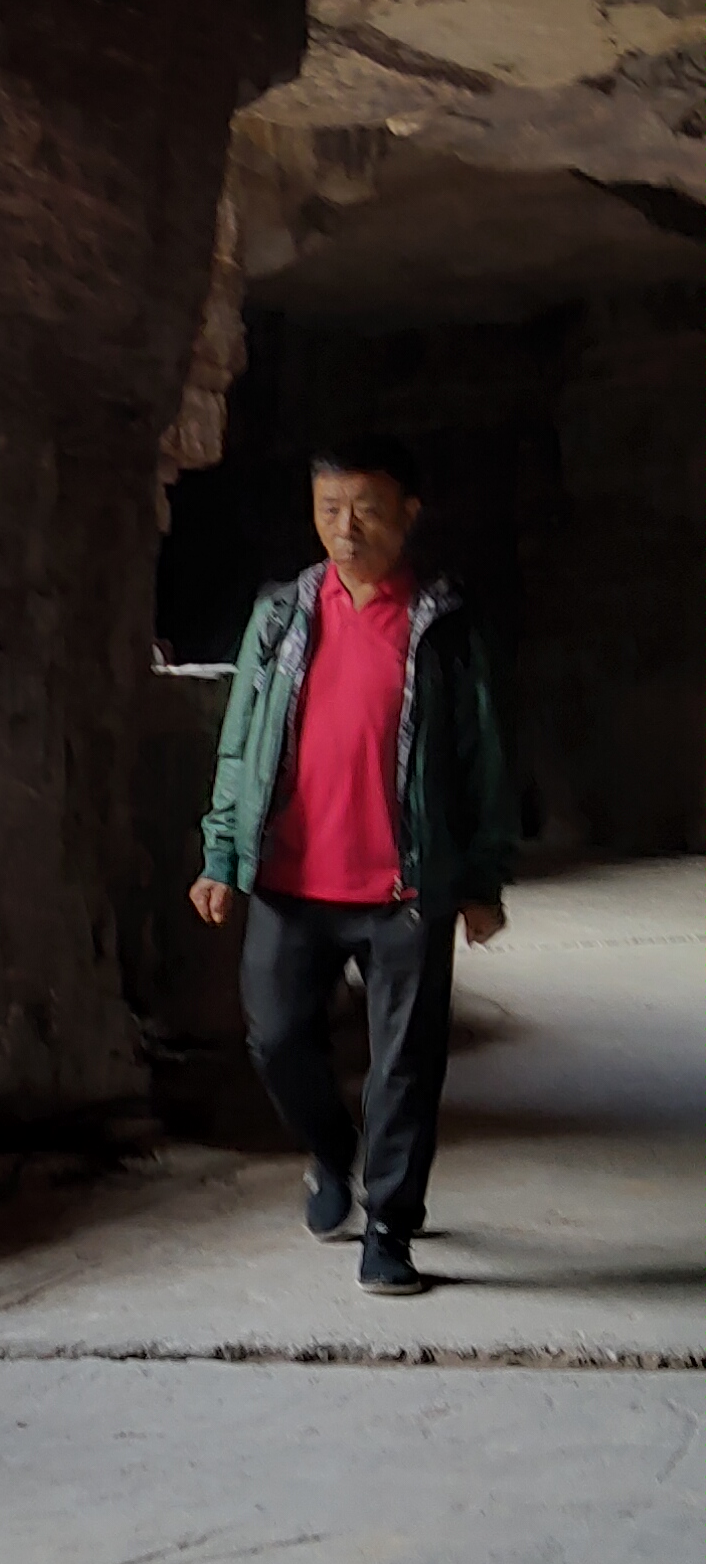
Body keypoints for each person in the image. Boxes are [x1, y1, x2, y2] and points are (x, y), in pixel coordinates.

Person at [190, 437, 514, 1297]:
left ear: (408, 514)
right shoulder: (283, 616)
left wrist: (482, 880)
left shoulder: (439, 626)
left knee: (407, 1065)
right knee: (275, 1036)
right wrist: (222, 852)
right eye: (329, 509)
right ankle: (333, 1154)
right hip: (293, 883)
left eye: (366, 509)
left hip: (406, 889)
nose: (345, 528)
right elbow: (239, 746)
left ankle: (391, 1231)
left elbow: (482, 755)